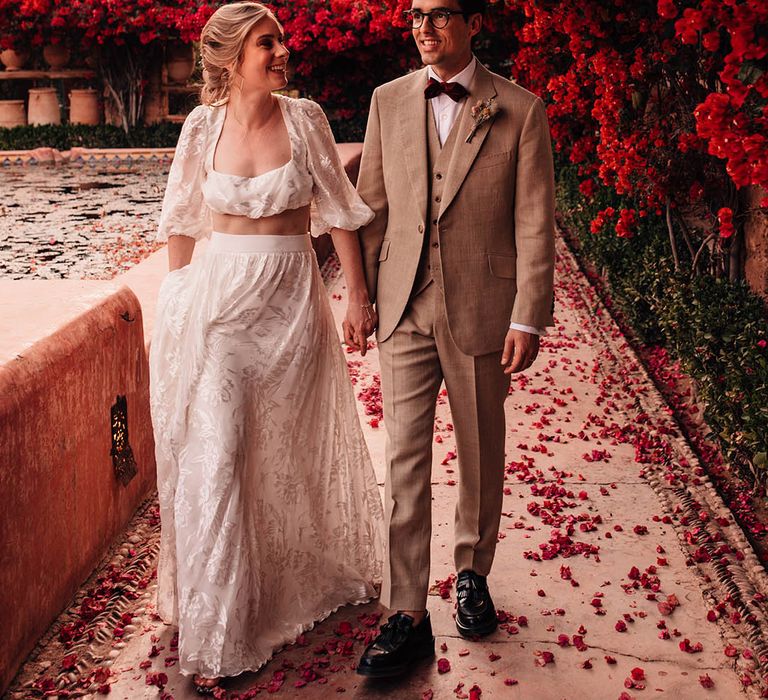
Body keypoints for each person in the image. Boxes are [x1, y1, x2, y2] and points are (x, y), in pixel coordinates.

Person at [148, 2, 385, 694]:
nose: (283, 51)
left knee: (283, 452)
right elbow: (181, 222)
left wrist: (359, 298)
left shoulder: (305, 119)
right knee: (219, 452)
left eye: (281, 39)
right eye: (266, 43)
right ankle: (220, 627)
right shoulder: (200, 127)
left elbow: (340, 213)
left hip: (290, 308)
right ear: (230, 58)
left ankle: (282, 584)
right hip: (219, 311)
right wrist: (181, 309)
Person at [354, 0, 555, 679]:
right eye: (415, 15)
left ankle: (472, 573)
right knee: (404, 459)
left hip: (483, 307)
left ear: (472, 22)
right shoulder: (387, 101)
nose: (424, 28)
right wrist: (362, 298)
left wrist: (529, 314)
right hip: (403, 306)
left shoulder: (519, 109)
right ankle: (406, 607)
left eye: (439, 15)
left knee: (478, 449)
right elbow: (372, 207)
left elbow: (533, 221)